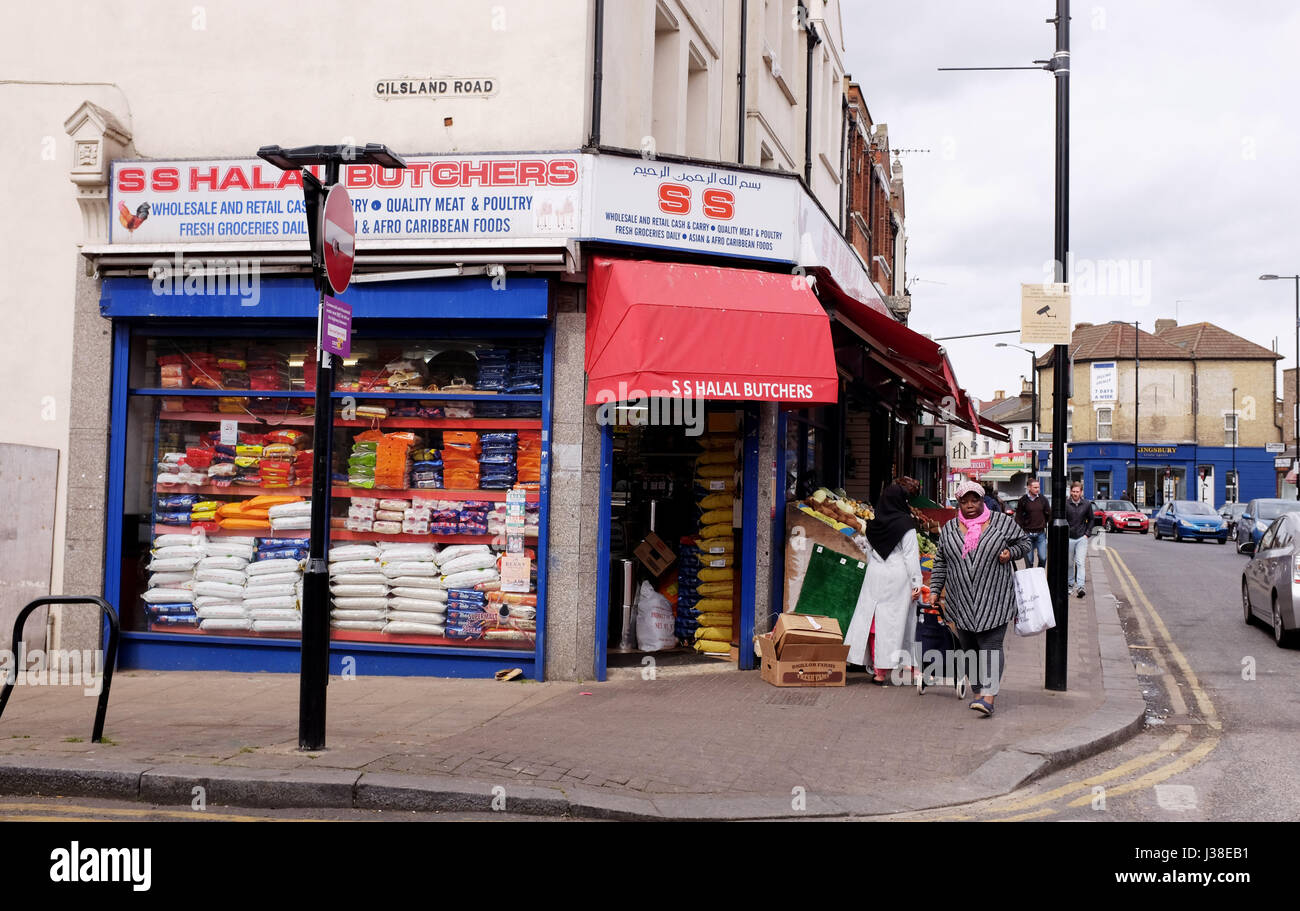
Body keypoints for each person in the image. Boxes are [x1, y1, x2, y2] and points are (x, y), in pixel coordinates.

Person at [928, 479, 1032, 717]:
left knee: (991, 647)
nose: (970, 505)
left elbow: (1024, 542)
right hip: (960, 600)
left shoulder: (1000, 522)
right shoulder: (951, 528)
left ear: (982, 500)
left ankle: (989, 696)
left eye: (975, 500)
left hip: (995, 597)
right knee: (969, 649)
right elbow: (941, 561)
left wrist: (1010, 553)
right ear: (959, 503)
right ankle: (978, 691)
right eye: (964, 501)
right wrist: (935, 589)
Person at [844, 482, 923, 685]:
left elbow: (869, 552)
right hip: (898, 577)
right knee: (897, 624)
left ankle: (878, 672)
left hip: (875, 575)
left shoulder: (874, 524)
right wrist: (916, 583)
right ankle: (904, 668)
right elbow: (911, 557)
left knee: (874, 622)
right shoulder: (906, 524)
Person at [1064, 480, 1095, 597]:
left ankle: (1081, 586)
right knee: (1069, 563)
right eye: (1073, 491)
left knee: (1080, 562)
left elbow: (1091, 519)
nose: (1075, 493)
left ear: (1081, 492)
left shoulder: (1087, 504)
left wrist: (1087, 533)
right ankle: (1070, 585)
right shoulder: (1065, 504)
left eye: (1077, 491)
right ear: (1070, 491)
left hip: (1081, 537)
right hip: (1069, 538)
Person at [1015, 478, 1051, 568]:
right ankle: (1030, 580)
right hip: (1027, 535)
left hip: (1040, 534)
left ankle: (1039, 574)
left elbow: (1049, 514)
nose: (1037, 489)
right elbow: (1018, 517)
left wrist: (1043, 523)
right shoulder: (1023, 500)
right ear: (1029, 487)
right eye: (1035, 487)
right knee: (1029, 561)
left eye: (1038, 487)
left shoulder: (1043, 499)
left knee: (1043, 558)